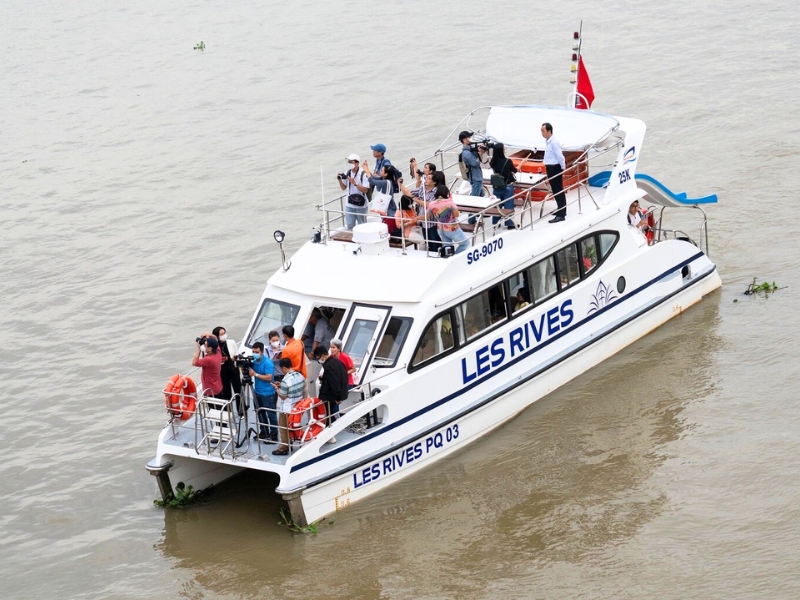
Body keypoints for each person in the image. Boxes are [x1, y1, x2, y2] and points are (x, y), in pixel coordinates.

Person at [399, 167, 442, 252]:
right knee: (427, 242)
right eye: (426, 178)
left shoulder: (437, 192)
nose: (426, 180)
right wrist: (400, 184)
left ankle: (438, 254)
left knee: (435, 242)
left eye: (429, 179)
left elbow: (431, 205)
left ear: (434, 182)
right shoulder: (422, 189)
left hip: (432, 222)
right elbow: (408, 193)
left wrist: (418, 200)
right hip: (423, 222)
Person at [313, 345, 349, 443]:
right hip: (338, 394)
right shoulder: (338, 362)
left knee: (326, 415)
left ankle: (329, 436)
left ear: (323, 356)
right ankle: (330, 434)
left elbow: (334, 383)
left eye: (318, 358)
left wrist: (337, 397)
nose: (319, 361)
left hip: (329, 396)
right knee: (330, 414)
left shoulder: (328, 366)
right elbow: (343, 377)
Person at [271, 358, 305, 456]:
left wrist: (277, 388)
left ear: (284, 368)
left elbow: (283, 396)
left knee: (283, 428)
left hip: (287, 408)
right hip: (297, 406)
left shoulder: (285, 380)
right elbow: (294, 387)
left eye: (282, 369)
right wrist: (281, 385)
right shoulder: (300, 375)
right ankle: (297, 441)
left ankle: (283, 448)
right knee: (295, 426)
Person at [426, 185, 469, 255]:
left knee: (448, 247)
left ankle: (449, 257)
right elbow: (457, 214)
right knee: (465, 243)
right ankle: (455, 256)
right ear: (447, 193)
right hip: (452, 229)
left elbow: (427, 216)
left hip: (440, 229)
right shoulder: (450, 202)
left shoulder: (431, 204)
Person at [248, 342, 278, 441]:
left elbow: (269, 377)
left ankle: (274, 434)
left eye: (256, 352)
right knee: (260, 413)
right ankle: (264, 431)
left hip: (268, 393)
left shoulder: (268, 362)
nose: (254, 353)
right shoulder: (254, 361)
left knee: (271, 414)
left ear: (261, 351)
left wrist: (255, 374)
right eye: (253, 351)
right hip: (257, 392)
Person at [211, 326, 242, 412]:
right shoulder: (214, 346)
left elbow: (236, 352)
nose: (224, 335)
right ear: (216, 336)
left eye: (224, 333)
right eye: (221, 334)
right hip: (222, 372)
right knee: (226, 392)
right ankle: (229, 411)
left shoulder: (231, 342)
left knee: (238, 391)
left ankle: (241, 410)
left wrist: (234, 357)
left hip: (233, 369)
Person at [541, 122, 567, 222]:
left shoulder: (554, 142)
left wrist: (562, 167)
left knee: (558, 189)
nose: (542, 133)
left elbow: (560, 156)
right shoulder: (548, 142)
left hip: (555, 168)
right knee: (555, 190)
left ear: (549, 131)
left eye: (543, 131)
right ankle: (560, 209)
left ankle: (562, 214)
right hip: (550, 167)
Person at [489, 143, 518, 229]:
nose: (505, 149)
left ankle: (495, 223)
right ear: (501, 150)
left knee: (497, 204)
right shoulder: (507, 161)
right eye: (504, 148)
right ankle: (509, 223)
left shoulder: (493, 162)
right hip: (507, 185)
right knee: (508, 204)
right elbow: (514, 170)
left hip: (497, 185)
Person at [338, 154, 369, 230]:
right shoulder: (347, 172)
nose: (349, 163)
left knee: (362, 226)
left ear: (356, 163)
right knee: (350, 226)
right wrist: (339, 180)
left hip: (361, 204)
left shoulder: (363, 174)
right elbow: (343, 188)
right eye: (348, 162)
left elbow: (365, 190)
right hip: (349, 204)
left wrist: (354, 183)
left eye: (351, 162)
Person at [191, 333, 223, 397]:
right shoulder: (218, 352)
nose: (204, 347)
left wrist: (199, 349)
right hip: (218, 387)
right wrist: (208, 336)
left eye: (205, 345)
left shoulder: (209, 359)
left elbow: (194, 362)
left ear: (210, 349)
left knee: (214, 407)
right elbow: (215, 339)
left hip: (211, 390)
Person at [459, 130, 485, 197]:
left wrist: (480, 150)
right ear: (464, 140)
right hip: (475, 178)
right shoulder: (466, 153)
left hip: (477, 177)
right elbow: (475, 164)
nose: (471, 139)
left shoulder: (471, 149)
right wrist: (481, 153)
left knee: (482, 195)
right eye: (469, 137)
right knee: (475, 198)